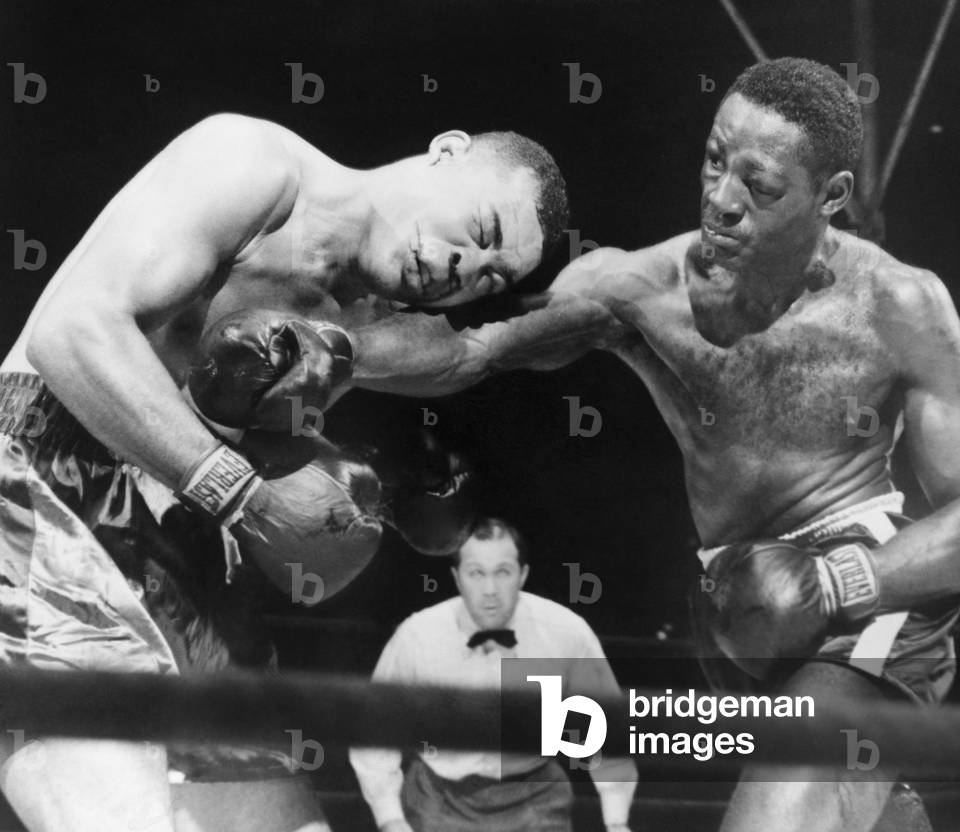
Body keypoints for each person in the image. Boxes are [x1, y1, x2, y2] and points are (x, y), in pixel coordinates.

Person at [345, 58, 960, 832]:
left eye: (759, 186)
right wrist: (331, 348)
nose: (722, 199)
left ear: (831, 196)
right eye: (714, 160)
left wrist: (831, 585)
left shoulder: (896, 303)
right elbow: (471, 352)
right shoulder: (639, 291)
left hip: (868, 606)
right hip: (730, 612)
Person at [0, 114, 567, 832]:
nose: (465, 266)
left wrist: (369, 488)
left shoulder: (368, 326)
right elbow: (70, 333)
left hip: (189, 538)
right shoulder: (255, 166)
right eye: (481, 229)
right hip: (42, 482)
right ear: (446, 151)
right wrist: (238, 491)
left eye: (488, 275)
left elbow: (503, 346)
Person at [350, 517, 638, 832]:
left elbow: (606, 730)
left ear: (522, 575)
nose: (490, 590)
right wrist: (390, 818)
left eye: (503, 572)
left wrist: (617, 821)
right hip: (438, 797)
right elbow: (373, 731)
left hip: (535, 795)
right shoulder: (417, 636)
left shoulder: (567, 632)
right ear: (457, 578)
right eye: (476, 573)